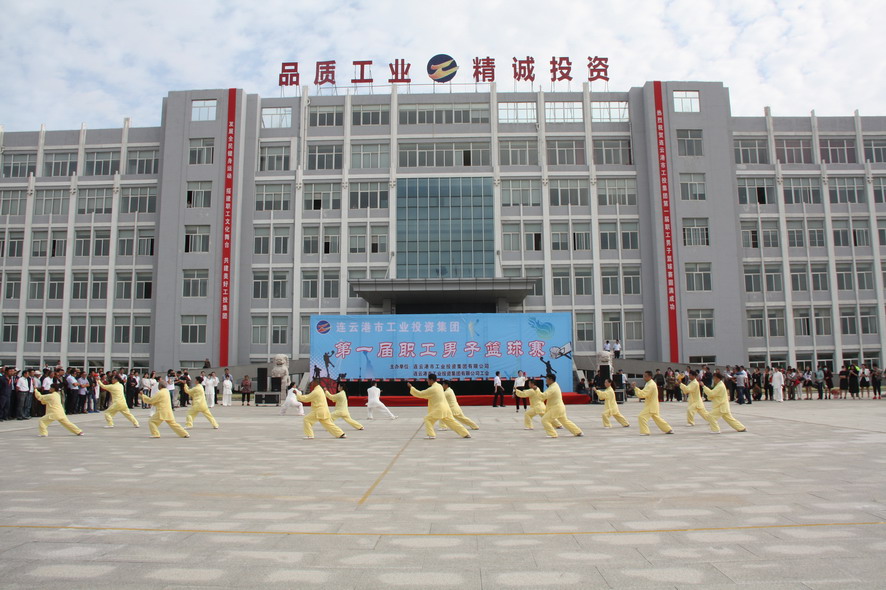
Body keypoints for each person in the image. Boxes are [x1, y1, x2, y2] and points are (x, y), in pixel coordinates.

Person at [407, 373, 471, 439]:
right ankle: (465, 433)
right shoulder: (439, 386)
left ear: (431, 380)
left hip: (439, 409)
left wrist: (411, 387)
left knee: (427, 419)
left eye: (428, 379)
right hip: (446, 408)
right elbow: (431, 396)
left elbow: (420, 394)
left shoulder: (433, 389)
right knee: (452, 422)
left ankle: (431, 435)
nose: (427, 381)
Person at [538, 374, 582, 438]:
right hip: (560, 407)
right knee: (565, 421)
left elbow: (543, 396)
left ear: (551, 380)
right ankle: (578, 432)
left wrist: (536, 390)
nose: (546, 381)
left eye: (547, 379)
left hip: (556, 408)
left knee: (545, 420)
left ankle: (552, 434)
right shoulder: (554, 385)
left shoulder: (552, 388)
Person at [632, 371, 674, 435]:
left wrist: (635, 388)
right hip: (653, 404)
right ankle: (668, 429)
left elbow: (643, 394)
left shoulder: (650, 385)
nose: (644, 377)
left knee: (641, 417)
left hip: (651, 406)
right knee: (657, 418)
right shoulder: (649, 383)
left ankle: (645, 432)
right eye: (644, 376)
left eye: (645, 376)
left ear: (650, 377)